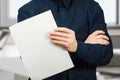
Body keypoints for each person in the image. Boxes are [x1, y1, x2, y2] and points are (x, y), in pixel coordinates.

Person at [18, 0, 113, 80]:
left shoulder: (92, 7)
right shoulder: (27, 11)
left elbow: (105, 55)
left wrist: (77, 46)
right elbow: (34, 64)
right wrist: (82, 47)